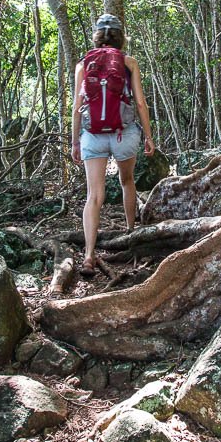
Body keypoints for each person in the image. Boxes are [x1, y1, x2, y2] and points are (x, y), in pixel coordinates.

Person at [71, 14, 156, 276]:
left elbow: (76, 107)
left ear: (96, 37)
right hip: (124, 134)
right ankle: (130, 235)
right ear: (121, 37)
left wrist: (75, 141)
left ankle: (88, 256)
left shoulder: (83, 64)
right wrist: (149, 136)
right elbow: (140, 103)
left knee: (94, 196)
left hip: (92, 135)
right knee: (126, 181)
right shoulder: (129, 62)